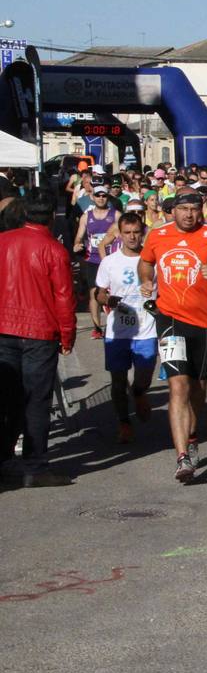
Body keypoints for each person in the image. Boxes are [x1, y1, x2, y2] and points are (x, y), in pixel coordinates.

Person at [138, 192, 207, 482]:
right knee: (178, 385)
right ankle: (182, 457)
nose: (189, 214)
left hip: (204, 322)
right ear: (173, 211)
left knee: (198, 387)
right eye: (183, 209)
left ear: (201, 210)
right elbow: (145, 262)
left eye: (194, 209)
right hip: (169, 319)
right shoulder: (158, 235)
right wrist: (146, 280)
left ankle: (192, 436)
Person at [0, 190, 76, 487]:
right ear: (52, 216)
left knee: (8, 398)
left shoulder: (4, 241)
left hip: (5, 328)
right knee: (36, 400)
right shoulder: (54, 250)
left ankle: (5, 459)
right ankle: (35, 465)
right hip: (39, 332)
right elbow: (64, 298)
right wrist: (67, 336)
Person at [74, 184, 118, 338]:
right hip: (92, 259)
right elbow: (79, 235)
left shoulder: (116, 215)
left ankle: (114, 323)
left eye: (104, 195)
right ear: (93, 197)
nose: (101, 198)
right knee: (93, 293)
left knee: (112, 293)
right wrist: (77, 244)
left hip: (111, 260)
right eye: (98, 195)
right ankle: (97, 327)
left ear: (107, 197)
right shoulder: (87, 216)